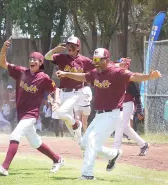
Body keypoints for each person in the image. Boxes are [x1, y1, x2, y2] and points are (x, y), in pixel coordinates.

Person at [55, 48, 161, 180]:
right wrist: (66, 74)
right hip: (99, 115)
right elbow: (83, 76)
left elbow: (134, 76)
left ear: (107, 59)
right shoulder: (95, 73)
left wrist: (149, 76)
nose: (96, 62)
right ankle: (113, 155)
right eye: (94, 60)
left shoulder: (117, 72)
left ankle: (87, 174)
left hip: (113, 115)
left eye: (99, 60)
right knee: (84, 144)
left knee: (92, 140)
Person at [0, 38, 64, 176]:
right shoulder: (21, 72)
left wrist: (56, 101)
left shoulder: (44, 77)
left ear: (41, 63)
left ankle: (4, 167)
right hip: (21, 114)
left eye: (36, 59)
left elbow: (55, 89)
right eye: (31, 58)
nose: (32, 61)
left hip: (31, 114)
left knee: (15, 135)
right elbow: (2, 63)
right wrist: (4, 48)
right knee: (36, 143)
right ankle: (57, 159)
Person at [45, 36, 95, 141]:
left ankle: (77, 124)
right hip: (63, 93)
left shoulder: (84, 60)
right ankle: (82, 142)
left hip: (76, 93)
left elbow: (95, 71)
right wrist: (55, 50)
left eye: (73, 45)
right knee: (66, 121)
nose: (69, 47)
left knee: (61, 113)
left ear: (78, 48)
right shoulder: (62, 57)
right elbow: (47, 57)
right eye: (68, 45)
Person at [113, 58, 149, 156]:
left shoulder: (130, 78)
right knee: (125, 128)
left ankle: (115, 149)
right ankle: (143, 144)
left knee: (120, 125)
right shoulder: (117, 76)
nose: (120, 65)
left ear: (127, 66)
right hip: (119, 105)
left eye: (123, 64)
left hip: (128, 104)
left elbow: (137, 95)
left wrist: (139, 109)